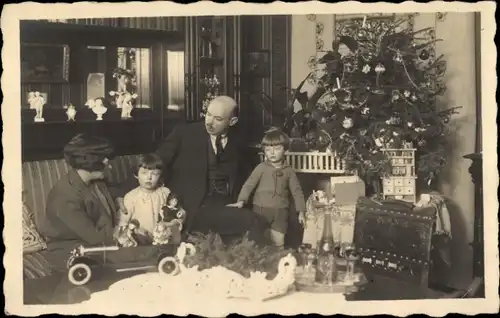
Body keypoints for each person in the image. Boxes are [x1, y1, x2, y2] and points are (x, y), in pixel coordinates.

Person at [117, 95, 265, 243]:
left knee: (255, 221)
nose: (209, 122)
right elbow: (155, 161)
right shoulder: (185, 134)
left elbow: (247, 175)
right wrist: (123, 193)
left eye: (218, 119)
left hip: (226, 204)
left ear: (232, 121)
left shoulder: (239, 140)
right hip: (192, 207)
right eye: (208, 114)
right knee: (253, 221)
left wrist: (242, 201)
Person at [38, 133, 121, 270]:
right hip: (72, 252)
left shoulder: (95, 180)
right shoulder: (64, 197)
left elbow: (116, 188)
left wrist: (120, 198)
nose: (108, 162)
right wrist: (121, 234)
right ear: (88, 160)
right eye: (103, 157)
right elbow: (95, 238)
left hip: (98, 244)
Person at [230, 128, 307, 247]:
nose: (272, 153)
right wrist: (241, 201)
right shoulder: (260, 168)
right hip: (260, 210)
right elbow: (249, 184)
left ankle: (278, 262)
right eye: (268, 149)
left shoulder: (289, 171)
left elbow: (297, 192)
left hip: (280, 212)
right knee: (259, 240)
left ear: (285, 150)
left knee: (278, 241)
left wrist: (301, 211)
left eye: (277, 149)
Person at [119, 153, 186, 243]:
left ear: (160, 176)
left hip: (162, 237)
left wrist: (178, 217)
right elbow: (123, 223)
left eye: (154, 174)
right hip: (141, 239)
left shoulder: (165, 192)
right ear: (136, 174)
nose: (149, 177)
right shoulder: (131, 197)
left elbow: (177, 211)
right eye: (144, 173)